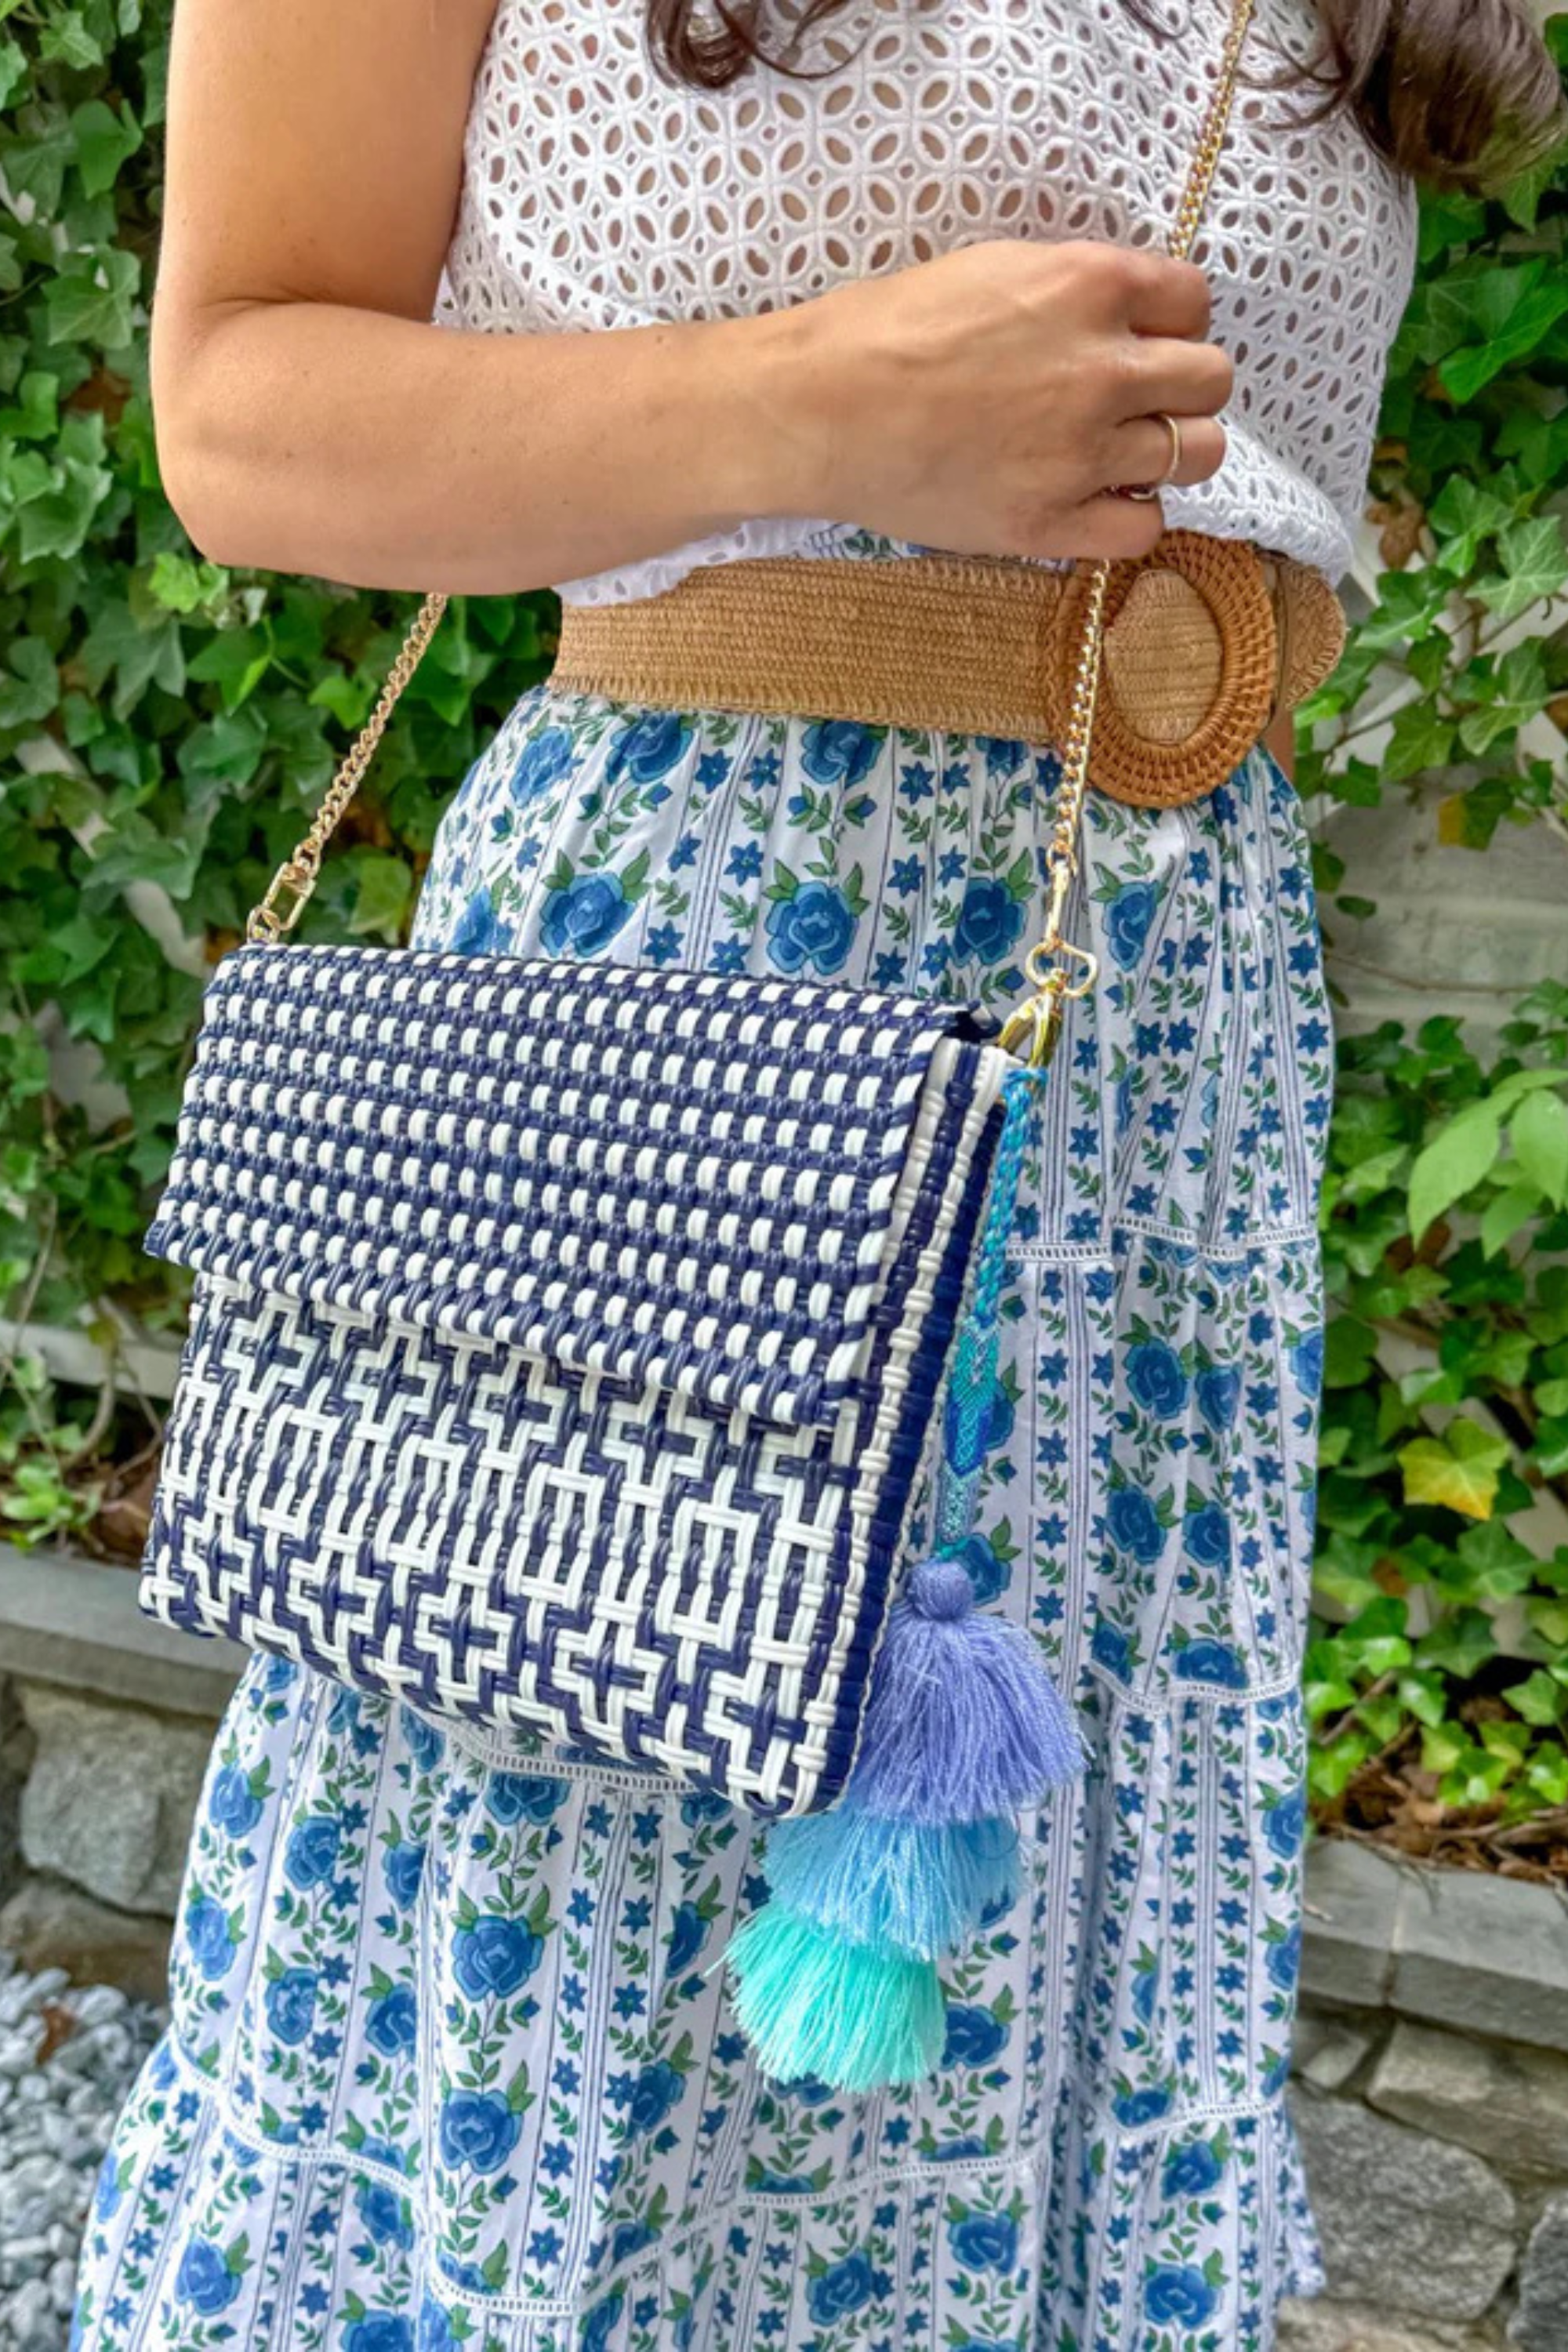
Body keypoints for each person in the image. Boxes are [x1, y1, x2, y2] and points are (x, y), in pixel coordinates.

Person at [74, 2, 1560, 2348]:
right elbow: (239, 407)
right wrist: (819, 403)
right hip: (698, 1017)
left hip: (1153, 1050)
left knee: (1070, 1915)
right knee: (586, 1924)